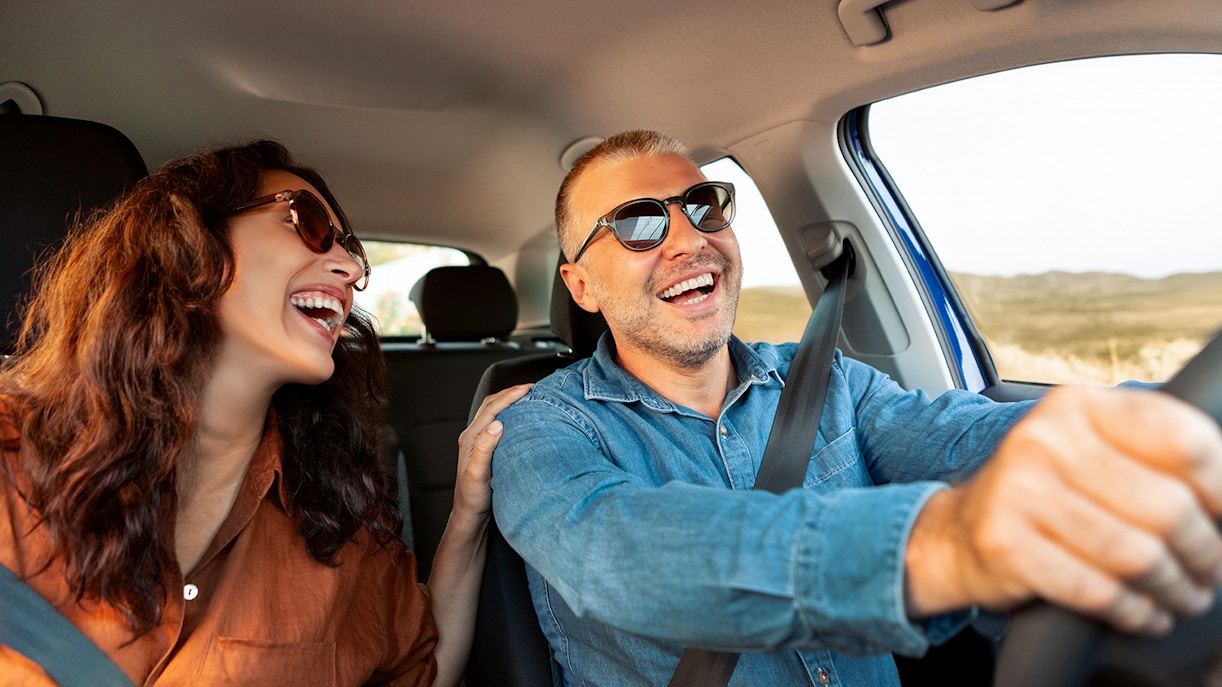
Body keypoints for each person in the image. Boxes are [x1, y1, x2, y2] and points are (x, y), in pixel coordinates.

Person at [489, 129, 1222, 685]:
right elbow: (618, 556)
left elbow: (962, 436)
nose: (689, 237)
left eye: (704, 206)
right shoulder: (539, 429)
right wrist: (948, 544)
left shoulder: (826, 380)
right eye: (639, 223)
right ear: (582, 286)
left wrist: (1158, 427)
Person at [0, 139, 529, 686]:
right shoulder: (12, 458)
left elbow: (426, 671)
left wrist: (467, 513)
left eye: (353, 252)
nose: (351, 268)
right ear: (190, 241)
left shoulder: (336, 521)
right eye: (310, 224)